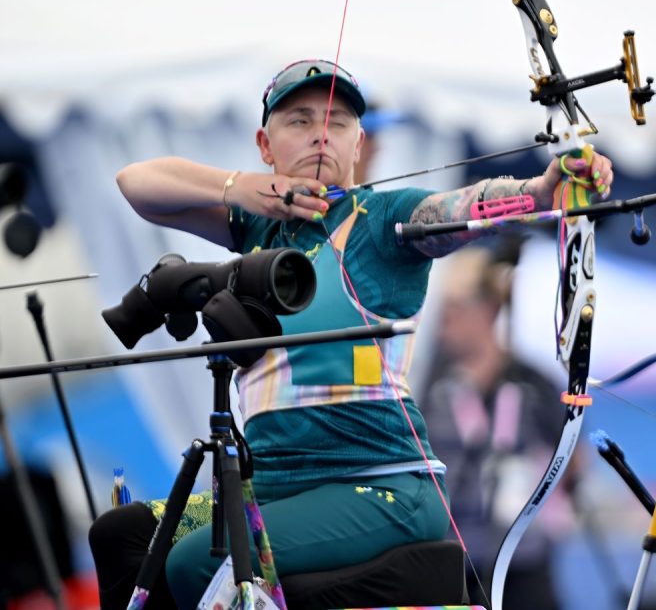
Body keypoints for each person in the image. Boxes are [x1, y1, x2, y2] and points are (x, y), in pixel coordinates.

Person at [87, 58, 614, 609]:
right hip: (277, 485)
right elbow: (136, 183)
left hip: (382, 487)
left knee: (198, 561)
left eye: (338, 122)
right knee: (121, 533)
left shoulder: (387, 220)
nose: (321, 133)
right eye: (300, 120)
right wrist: (241, 188)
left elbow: (463, 208)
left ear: (358, 144)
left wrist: (540, 189)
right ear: (265, 144)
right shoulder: (254, 226)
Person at [420, 243, 569, 609]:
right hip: (456, 565)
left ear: (487, 309)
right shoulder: (432, 386)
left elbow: (572, 459)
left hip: (526, 562)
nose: (444, 321)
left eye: (454, 308)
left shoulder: (535, 383)